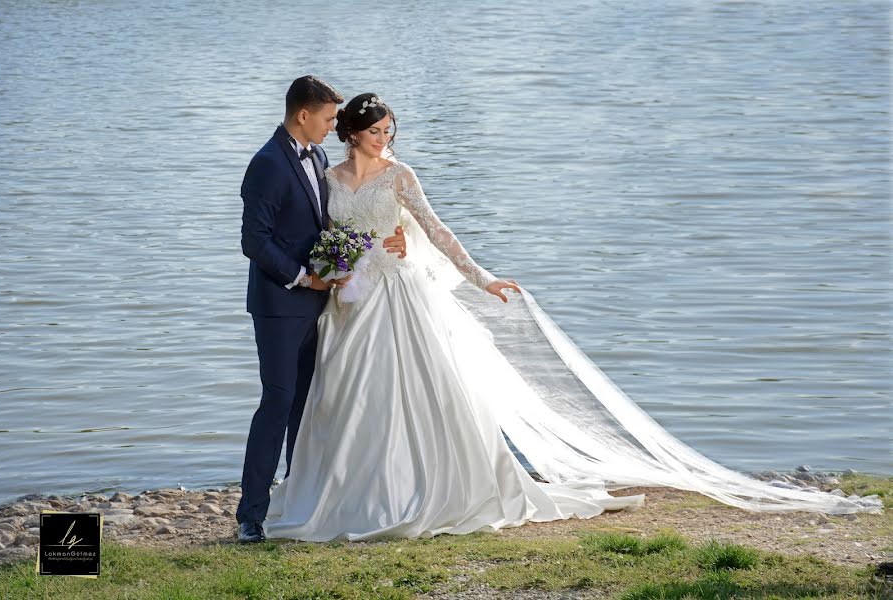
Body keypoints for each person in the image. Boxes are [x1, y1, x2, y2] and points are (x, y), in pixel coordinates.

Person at [262, 93, 883, 542]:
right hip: (351, 302)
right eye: (377, 132)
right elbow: (323, 230)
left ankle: (420, 489)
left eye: (391, 131)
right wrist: (341, 259)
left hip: (400, 298)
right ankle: (348, 492)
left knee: (418, 394)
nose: (386, 140)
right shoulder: (326, 172)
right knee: (345, 397)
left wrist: (481, 277)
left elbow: (435, 229)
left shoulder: (401, 175)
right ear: (350, 132)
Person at [236, 78, 408, 543]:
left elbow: (333, 225)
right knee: (277, 401)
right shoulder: (267, 164)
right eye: (329, 118)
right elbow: (255, 240)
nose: (335, 125)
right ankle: (251, 514)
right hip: (280, 304)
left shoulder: (318, 159)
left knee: (310, 408)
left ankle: (301, 497)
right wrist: (301, 277)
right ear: (303, 116)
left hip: (328, 303)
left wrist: (393, 238)